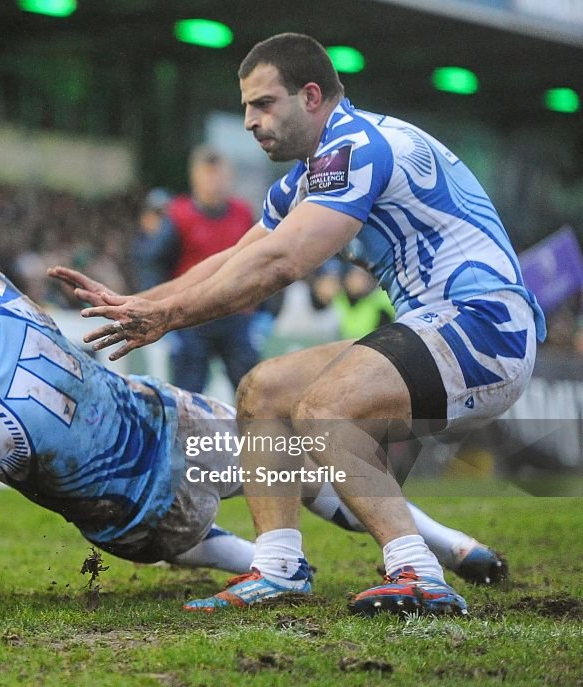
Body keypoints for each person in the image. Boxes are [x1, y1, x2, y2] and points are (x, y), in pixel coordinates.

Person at [50, 33, 544, 615]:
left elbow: (281, 263)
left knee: (326, 408)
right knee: (265, 392)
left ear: (311, 96)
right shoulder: (315, 171)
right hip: (442, 326)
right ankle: (279, 565)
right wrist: (140, 303)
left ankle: (417, 572)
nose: (251, 122)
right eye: (245, 108)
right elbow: (239, 255)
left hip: (484, 328)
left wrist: (169, 315)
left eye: (263, 104)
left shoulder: (356, 146)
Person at [0, 220, 509, 589]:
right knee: (299, 467)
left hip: (136, 509)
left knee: (190, 539)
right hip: (164, 415)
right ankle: (457, 544)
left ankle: (258, 562)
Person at [133, 147, 262, 393]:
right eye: (208, 174)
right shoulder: (179, 215)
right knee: (187, 391)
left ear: (230, 176)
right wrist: (158, 308)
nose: (214, 181)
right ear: (195, 177)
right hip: (190, 315)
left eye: (219, 175)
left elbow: (263, 259)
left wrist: (264, 310)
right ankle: (187, 433)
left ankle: (261, 433)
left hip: (236, 313)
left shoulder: (243, 214)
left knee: (253, 389)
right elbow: (152, 262)